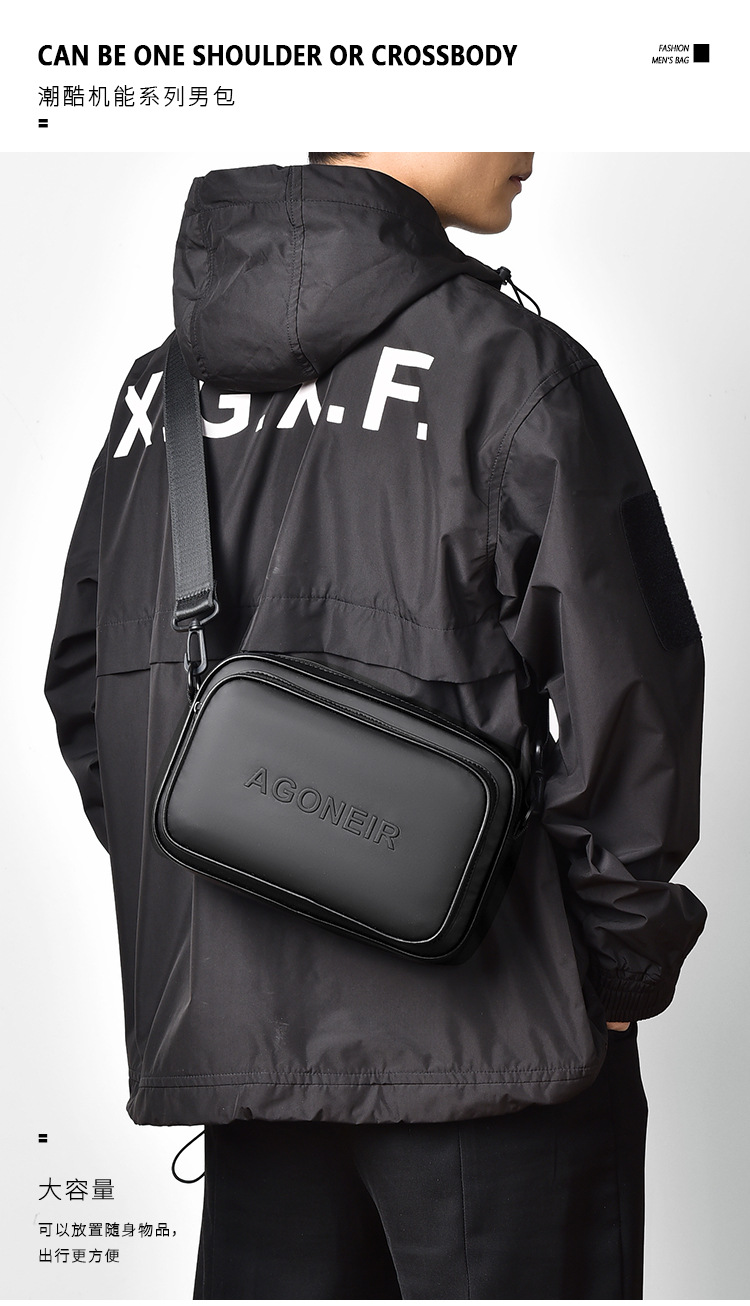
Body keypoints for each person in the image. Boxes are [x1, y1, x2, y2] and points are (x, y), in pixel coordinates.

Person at [45, 152, 707, 1299]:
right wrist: (614, 967)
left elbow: (92, 686)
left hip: (239, 1057)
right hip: (500, 1061)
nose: (529, 141)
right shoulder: (509, 366)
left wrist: (234, 896)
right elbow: (630, 699)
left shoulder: (158, 394)